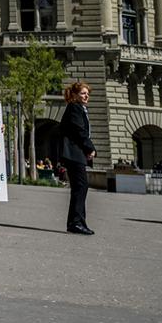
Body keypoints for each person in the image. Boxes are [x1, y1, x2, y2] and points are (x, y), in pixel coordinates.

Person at [61, 81, 96, 235]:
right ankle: (76, 222)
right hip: (74, 153)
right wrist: (90, 147)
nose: (86, 95)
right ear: (75, 95)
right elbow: (78, 130)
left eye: (87, 93)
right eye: (83, 93)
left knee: (79, 187)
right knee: (81, 187)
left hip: (76, 153)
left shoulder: (80, 108)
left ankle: (77, 222)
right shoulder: (75, 107)